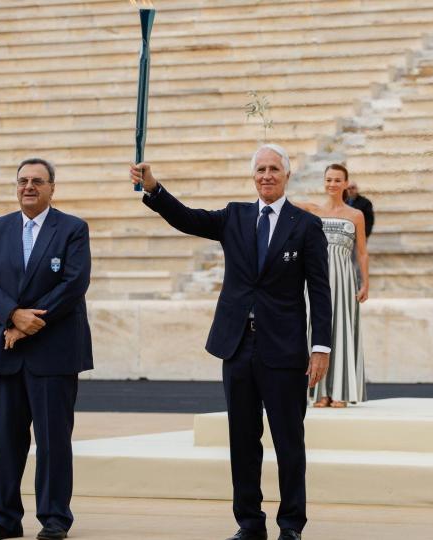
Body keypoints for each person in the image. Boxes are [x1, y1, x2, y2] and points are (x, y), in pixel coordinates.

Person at [132, 145, 331, 540]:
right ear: (253, 176)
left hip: (284, 350)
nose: (267, 176)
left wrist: (320, 347)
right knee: (242, 439)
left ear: (287, 176)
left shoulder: (305, 225)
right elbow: (187, 218)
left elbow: (320, 292)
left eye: (274, 169)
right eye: (260, 170)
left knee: (289, 441)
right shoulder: (235, 216)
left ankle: (291, 524)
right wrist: (153, 188)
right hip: (238, 346)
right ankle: (249, 522)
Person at [0, 158, 93, 540]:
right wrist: (12, 314)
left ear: (52, 188)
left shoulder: (72, 229)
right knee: (7, 441)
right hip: (9, 351)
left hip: (54, 350)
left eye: (37, 181)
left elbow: (74, 284)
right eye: (23, 180)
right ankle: (5, 518)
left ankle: (55, 518)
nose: (29, 186)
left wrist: (26, 325)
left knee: (53, 440)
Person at [294, 164, 368, 408]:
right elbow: (282, 201)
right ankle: (318, 392)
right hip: (317, 279)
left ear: (346, 184)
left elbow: (362, 254)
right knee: (316, 331)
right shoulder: (312, 210)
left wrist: (365, 283)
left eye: (337, 180)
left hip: (345, 280)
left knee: (341, 332)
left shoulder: (356, 215)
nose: (332, 184)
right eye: (329, 179)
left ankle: (340, 391)